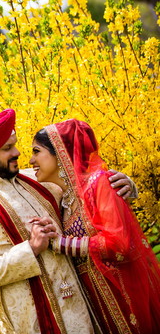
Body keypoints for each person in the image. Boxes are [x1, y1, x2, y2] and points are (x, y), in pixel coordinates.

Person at [0, 109, 134, 334]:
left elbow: (84, 188)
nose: (17, 152)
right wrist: (29, 250)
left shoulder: (38, 178)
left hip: (84, 313)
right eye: (7, 148)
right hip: (32, 324)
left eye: (14, 144)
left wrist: (124, 185)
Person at [29, 119, 160, 334]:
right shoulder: (64, 200)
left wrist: (62, 244)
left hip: (124, 294)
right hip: (92, 304)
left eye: (36, 151)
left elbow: (119, 244)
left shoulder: (99, 183)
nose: (31, 159)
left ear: (60, 151)